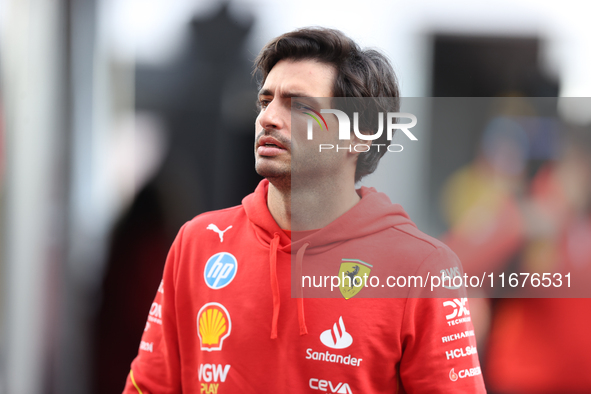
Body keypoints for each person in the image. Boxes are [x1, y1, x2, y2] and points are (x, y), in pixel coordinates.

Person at [122, 27, 485, 393]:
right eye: (265, 102)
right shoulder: (198, 243)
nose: (268, 118)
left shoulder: (423, 268)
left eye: (298, 105)